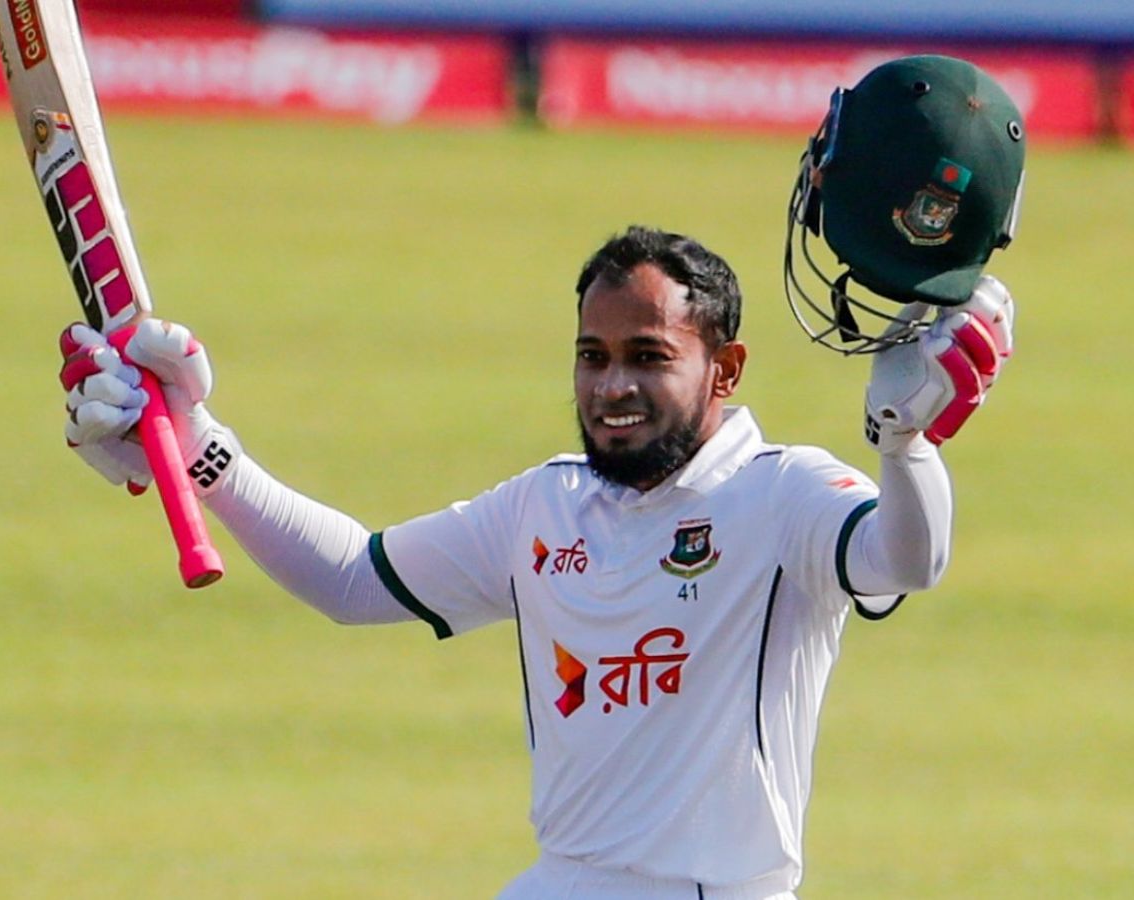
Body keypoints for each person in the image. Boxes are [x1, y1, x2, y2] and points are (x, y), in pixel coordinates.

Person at [57, 55, 1022, 900]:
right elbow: (351, 580)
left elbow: (908, 559)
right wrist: (200, 444)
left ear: (724, 371)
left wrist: (907, 445)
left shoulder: (784, 496)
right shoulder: (546, 505)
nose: (612, 387)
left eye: (648, 357)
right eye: (592, 357)